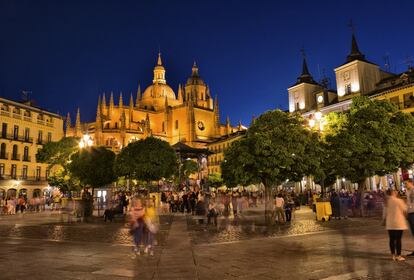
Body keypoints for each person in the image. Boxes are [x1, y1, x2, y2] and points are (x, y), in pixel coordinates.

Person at [383, 189, 408, 261]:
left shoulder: (386, 202)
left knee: (391, 239)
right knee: (398, 239)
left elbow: (384, 213)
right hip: (398, 223)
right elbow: (405, 209)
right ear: (393, 193)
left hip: (390, 223)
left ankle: (393, 255)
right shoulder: (399, 201)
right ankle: (398, 256)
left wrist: (384, 221)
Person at [406, 181, 414, 257]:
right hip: (410, 212)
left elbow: (411, 202)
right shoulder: (408, 190)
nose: (406, 184)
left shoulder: (412, 190)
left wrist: (409, 208)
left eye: (407, 183)